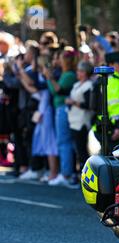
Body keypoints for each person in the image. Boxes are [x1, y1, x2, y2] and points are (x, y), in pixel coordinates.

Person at [45, 48, 78, 187]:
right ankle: (66, 172)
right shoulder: (65, 74)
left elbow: (57, 91)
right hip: (60, 109)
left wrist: (49, 78)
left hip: (64, 110)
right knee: (63, 142)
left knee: (64, 141)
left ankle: (66, 174)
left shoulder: (69, 75)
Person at [92, 51, 119, 152]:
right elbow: (115, 106)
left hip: (110, 128)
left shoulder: (117, 80)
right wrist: (118, 127)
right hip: (114, 130)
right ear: (110, 65)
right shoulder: (114, 82)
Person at [66, 61, 94, 171]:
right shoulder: (76, 84)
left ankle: (85, 173)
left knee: (82, 150)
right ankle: (78, 173)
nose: (78, 73)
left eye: (81, 71)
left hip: (82, 122)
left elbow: (88, 105)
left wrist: (73, 102)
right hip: (73, 121)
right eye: (78, 70)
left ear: (86, 73)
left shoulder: (88, 86)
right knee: (76, 149)